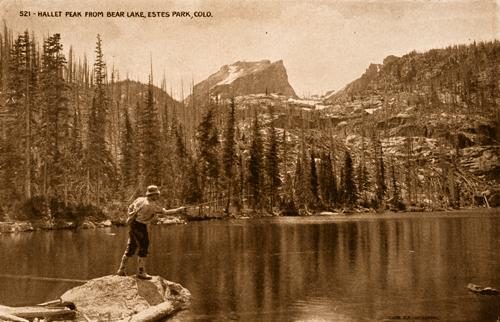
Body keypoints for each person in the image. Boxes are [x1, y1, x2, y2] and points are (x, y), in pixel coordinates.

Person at [116, 185, 186, 279]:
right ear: (152, 195)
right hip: (140, 227)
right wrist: (178, 210)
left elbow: (130, 207)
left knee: (131, 246)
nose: (158, 196)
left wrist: (132, 217)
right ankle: (141, 272)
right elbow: (165, 212)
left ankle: (121, 270)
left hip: (133, 225)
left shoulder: (139, 199)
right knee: (144, 247)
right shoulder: (151, 205)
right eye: (157, 194)